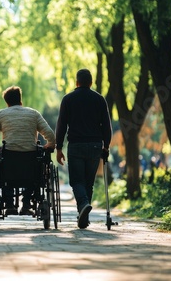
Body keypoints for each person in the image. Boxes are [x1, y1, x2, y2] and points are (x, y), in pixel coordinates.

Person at [0, 86, 55, 215]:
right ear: (21, 100)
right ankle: (26, 203)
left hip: (9, 160)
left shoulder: (1, 114)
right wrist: (50, 144)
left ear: (7, 102)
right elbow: (49, 134)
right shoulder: (33, 114)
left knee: (2, 168)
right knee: (36, 169)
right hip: (30, 160)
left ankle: (9, 204)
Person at [55, 69, 112, 229]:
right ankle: (84, 217)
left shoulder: (68, 99)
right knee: (89, 183)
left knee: (76, 181)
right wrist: (106, 146)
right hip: (94, 146)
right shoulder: (99, 99)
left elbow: (61, 125)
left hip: (75, 146)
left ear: (76, 82)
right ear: (91, 82)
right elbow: (106, 126)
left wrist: (58, 148)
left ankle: (84, 205)